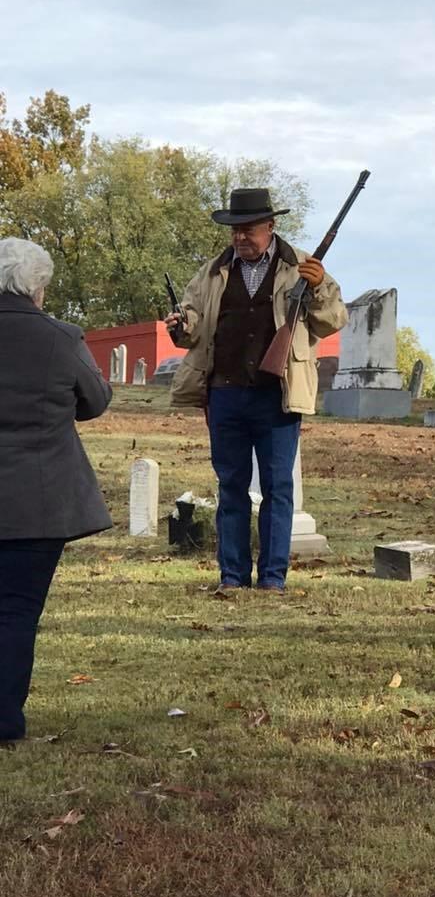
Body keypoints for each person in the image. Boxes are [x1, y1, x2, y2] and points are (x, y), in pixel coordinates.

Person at [166, 188, 347, 594]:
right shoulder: (212, 271)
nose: (240, 237)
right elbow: (191, 327)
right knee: (230, 487)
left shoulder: (302, 266)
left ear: (270, 226)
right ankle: (231, 577)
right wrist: (180, 325)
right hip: (225, 393)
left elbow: (334, 319)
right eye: (234, 230)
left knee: (277, 489)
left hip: (276, 394)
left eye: (248, 229)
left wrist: (316, 289)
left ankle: (272, 578)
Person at [0, 237, 112, 742]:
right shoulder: (61, 338)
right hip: (37, 502)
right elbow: (94, 399)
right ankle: (4, 722)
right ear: (37, 286)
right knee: (17, 611)